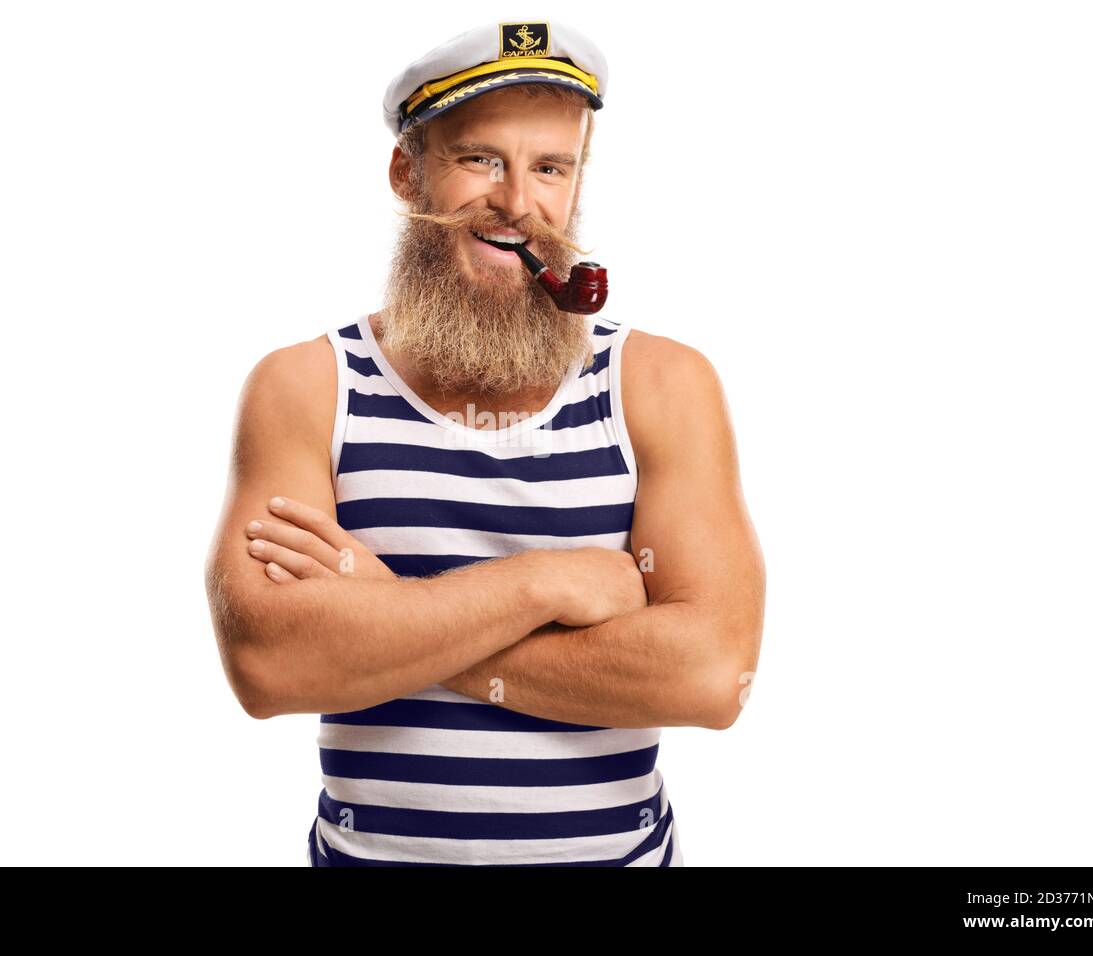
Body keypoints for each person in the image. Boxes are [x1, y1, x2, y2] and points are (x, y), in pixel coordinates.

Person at [204, 18, 765, 867]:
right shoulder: (307, 386)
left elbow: (711, 677)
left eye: (550, 167)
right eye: (479, 159)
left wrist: (384, 607)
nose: (516, 201)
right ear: (408, 171)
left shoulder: (660, 384)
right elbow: (271, 666)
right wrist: (555, 582)